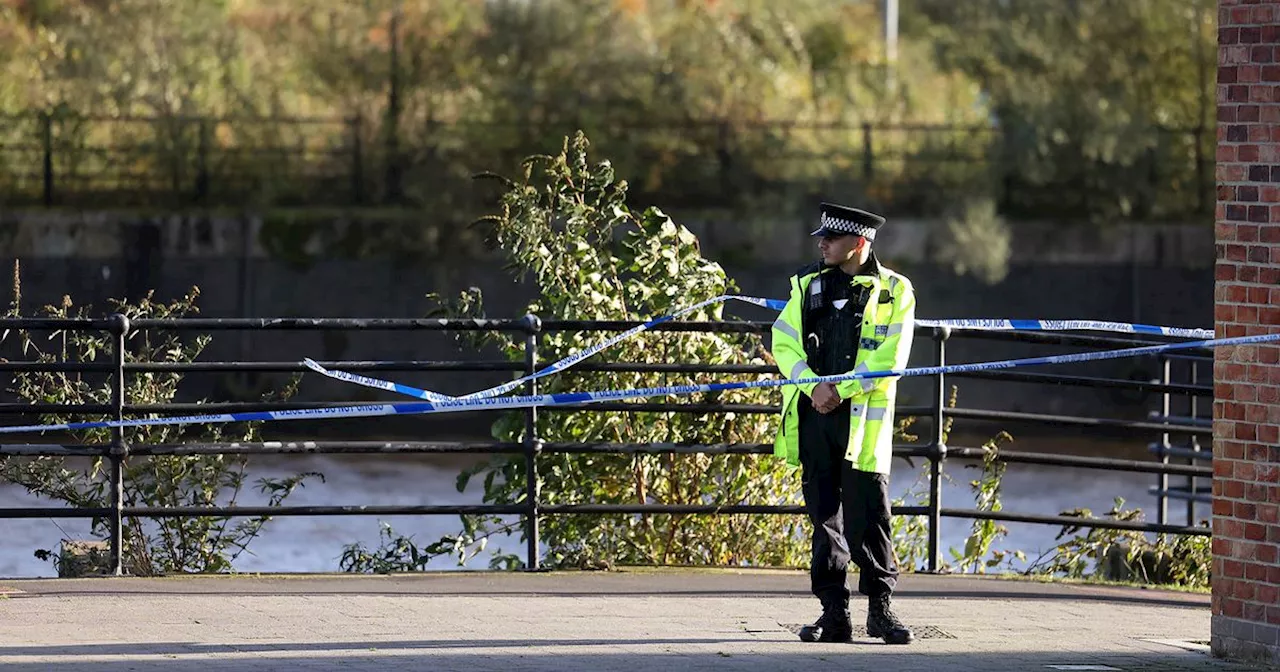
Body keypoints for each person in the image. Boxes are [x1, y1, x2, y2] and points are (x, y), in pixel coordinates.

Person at [769, 202, 916, 645]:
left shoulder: (895, 291)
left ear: (858, 243)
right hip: (814, 419)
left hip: (860, 426)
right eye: (820, 237)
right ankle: (834, 613)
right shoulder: (806, 286)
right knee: (823, 519)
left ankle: (880, 612)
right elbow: (784, 342)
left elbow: (890, 357)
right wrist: (814, 387)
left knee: (870, 517)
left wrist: (840, 390)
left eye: (829, 238)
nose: (821, 243)